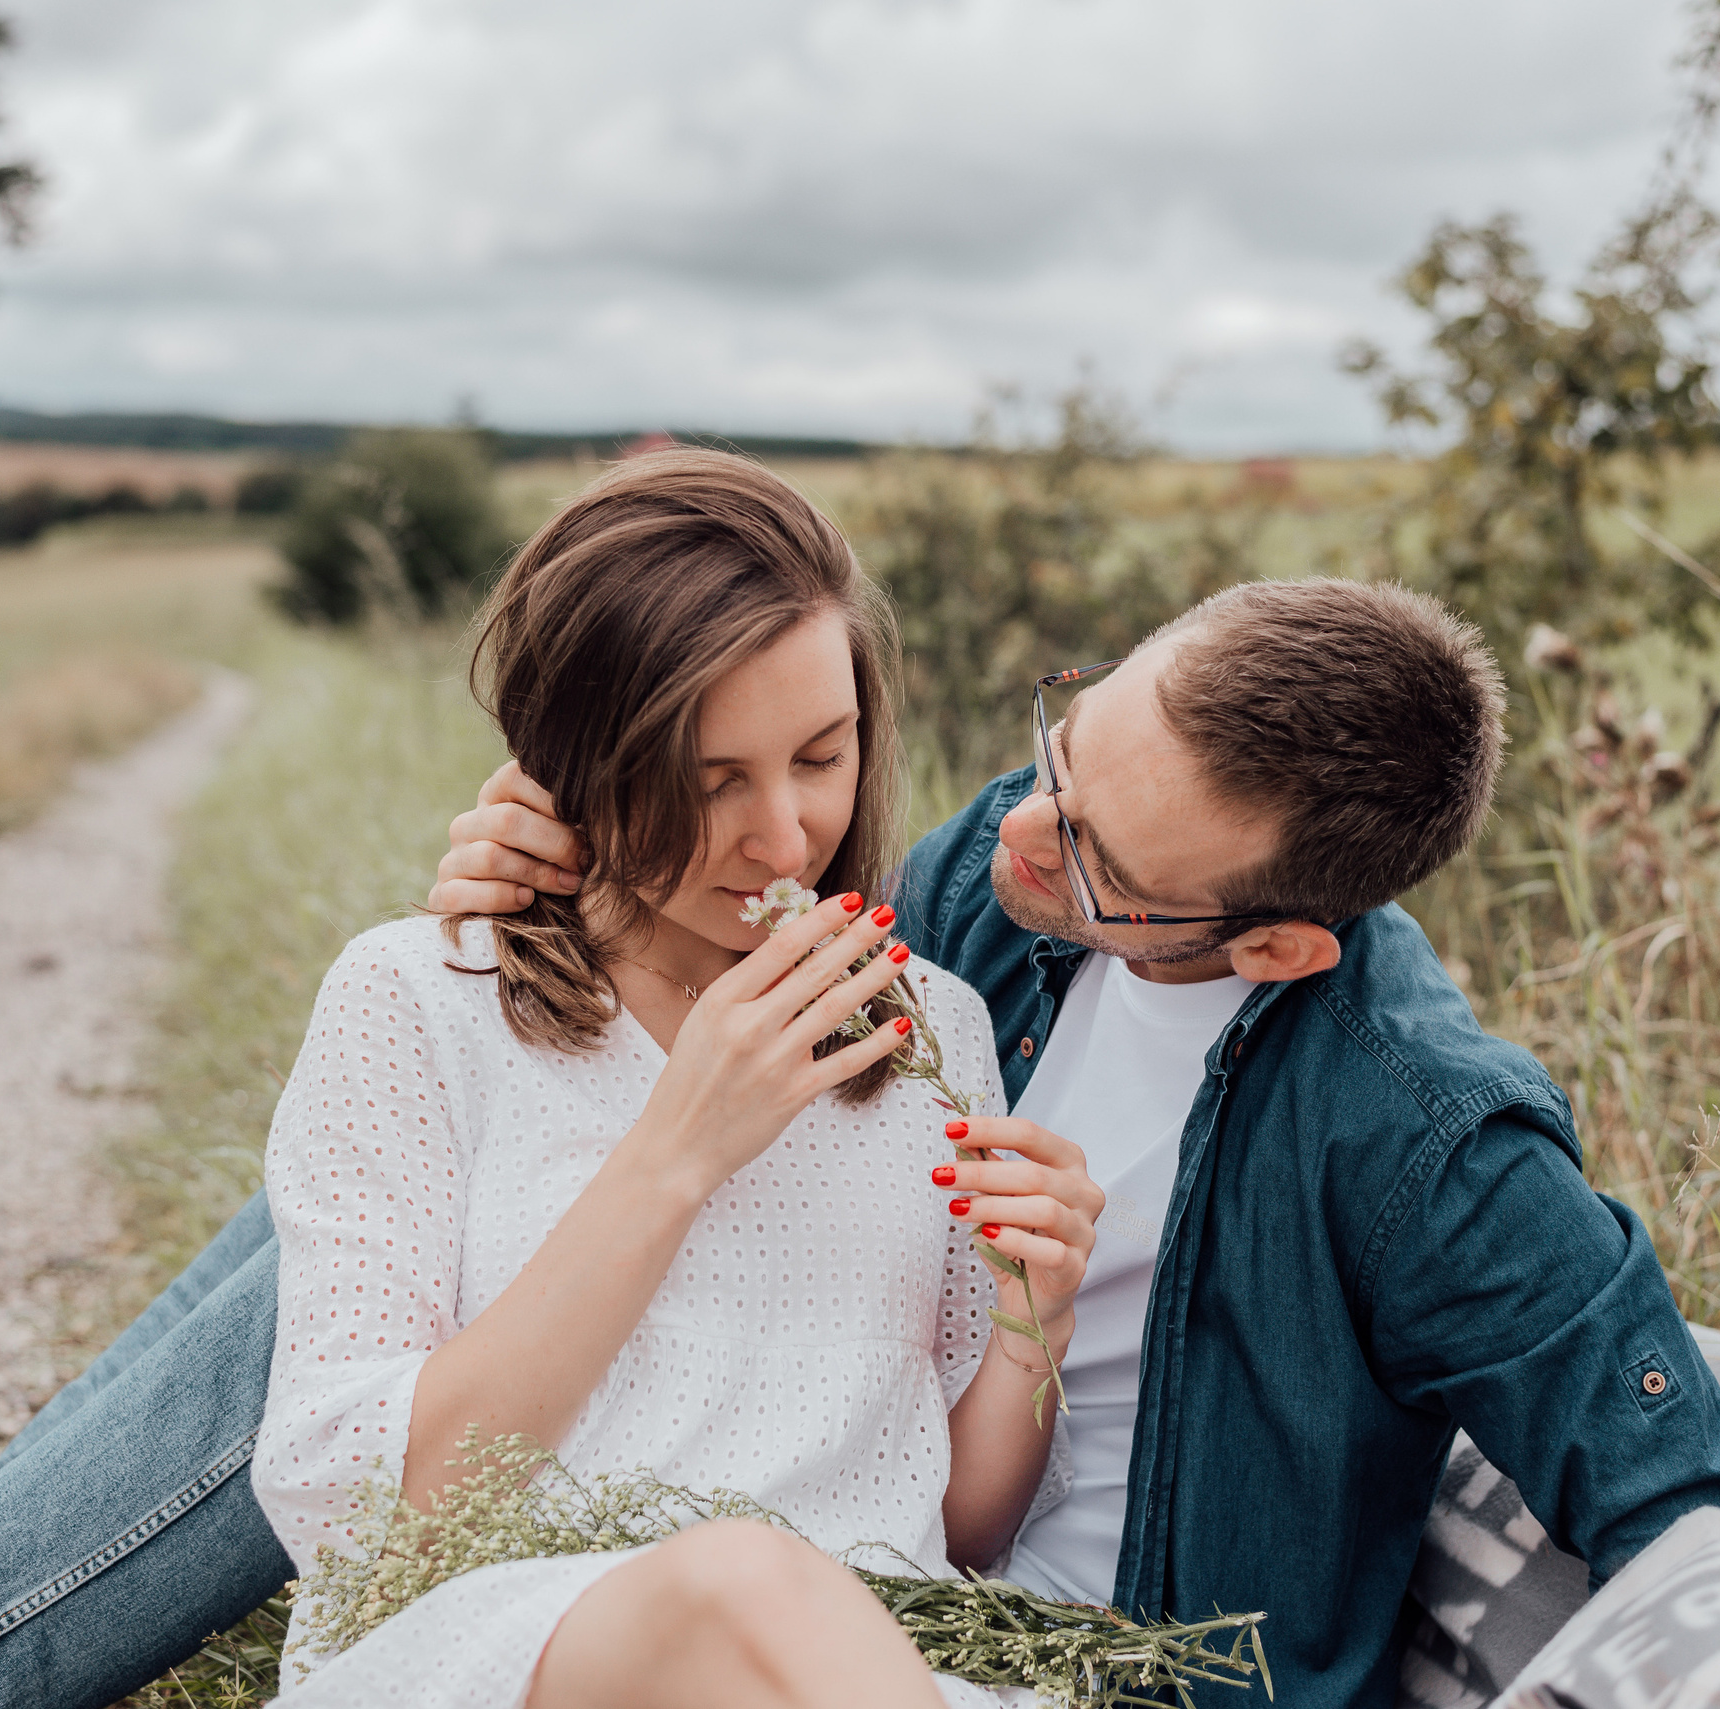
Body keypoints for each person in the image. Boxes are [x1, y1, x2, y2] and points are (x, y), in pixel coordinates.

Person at [0, 498, 1720, 1709]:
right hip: (645, 1573)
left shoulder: (1412, 1126)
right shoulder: (990, 895)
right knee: (385, 1197)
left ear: (1264, 939)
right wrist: (566, 895)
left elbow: (1674, 1465)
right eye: (1056, 741)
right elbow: (753, 861)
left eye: (1090, 857)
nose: (997, 842)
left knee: (434, 1272)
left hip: (981, 1629)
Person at [254, 449, 1092, 1707]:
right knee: (743, 1587)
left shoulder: (937, 1031)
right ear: (568, 763)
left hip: (855, 1668)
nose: (783, 835)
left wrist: (1036, 1317)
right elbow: (367, 1516)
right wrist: (675, 1152)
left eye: (821, 755)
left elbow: (958, 1529)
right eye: (707, 783)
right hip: (508, 1651)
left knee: (779, 1605)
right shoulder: (418, 1001)